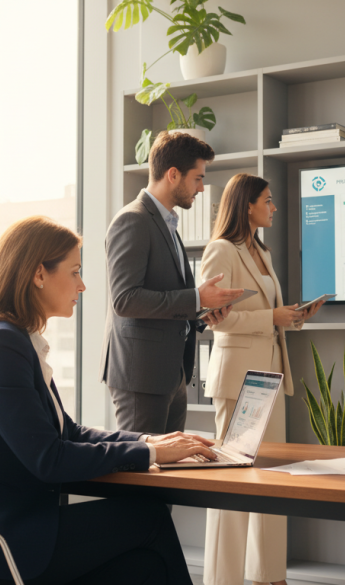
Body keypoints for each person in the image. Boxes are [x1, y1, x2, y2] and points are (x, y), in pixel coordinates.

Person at [0, 216, 217, 585]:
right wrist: (149, 456)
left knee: (144, 567)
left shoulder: (15, 340)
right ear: (39, 274)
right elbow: (49, 459)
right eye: (74, 272)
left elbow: (67, 431)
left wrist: (146, 441)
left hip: (4, 526)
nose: (82, 285)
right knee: (148, 519)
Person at [198, 174, 324, 585]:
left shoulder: (262, 252)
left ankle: (269, 575)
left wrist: (292, 316)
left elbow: (266, 314)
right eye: (267, 201)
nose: (273, 208)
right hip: (238, 379)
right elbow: (216, 320)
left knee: (269, 478)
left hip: (271, 375)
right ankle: (223, 578)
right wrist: (270, 317)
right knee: (233, 480)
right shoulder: (221, 250)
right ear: (246, 204)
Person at [102, 131, 243, 435]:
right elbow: (125, 300)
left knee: (168, 473)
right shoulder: (132, 220)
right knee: (140, 474)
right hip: (142, 377)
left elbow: (167, 297)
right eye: (197, 178)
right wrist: (195, 299)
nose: (202, 188)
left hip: (172, 375)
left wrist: (201, 314)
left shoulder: (168, 225)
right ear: (173, 174)